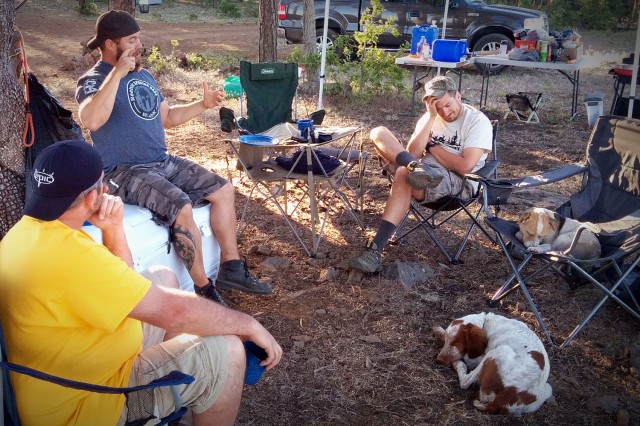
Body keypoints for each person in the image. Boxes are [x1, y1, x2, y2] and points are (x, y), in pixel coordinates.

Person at [0, 140, 283, 425]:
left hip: (66, 374)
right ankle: (189, 388)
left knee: (163, 276)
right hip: (90, 405)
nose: (107, 190)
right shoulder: (74, 257)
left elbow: (125, 281)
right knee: (228, 351)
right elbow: (174, 311)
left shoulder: (27, 232)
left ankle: (181, 396)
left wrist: (113, 228)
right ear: (92, 197)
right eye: (103, 183)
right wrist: (248, 324)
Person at [75, 10, 269, 306]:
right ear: (111, 44)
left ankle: (231, 268)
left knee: (223, 191)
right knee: (181, 206)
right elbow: (91, 119)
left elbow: (167, 117)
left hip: (160, 161)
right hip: (122, 171)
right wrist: (117, 74)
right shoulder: (94, 79)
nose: (139, 45)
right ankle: (204, 290)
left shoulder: (144, 76)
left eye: (139, 38)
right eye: (132, 40)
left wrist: (202, 104)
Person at [350, 76, 493, 273]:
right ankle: (415, 168)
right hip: (421, 171)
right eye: (438, 108)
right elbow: (413, 153)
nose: (445, 112)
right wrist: (431, 118)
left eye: (448, 105)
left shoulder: (477, 121)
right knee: (378, 132)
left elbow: (465, 166)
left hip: (460, 182)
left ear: (458, 96)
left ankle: (375, 251)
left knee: (403, 173)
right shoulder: (431, 117)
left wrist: (432, 147)